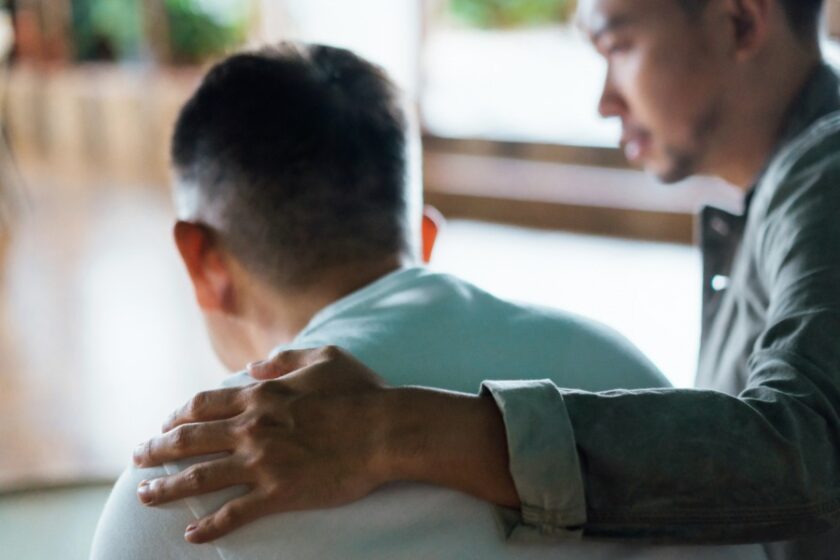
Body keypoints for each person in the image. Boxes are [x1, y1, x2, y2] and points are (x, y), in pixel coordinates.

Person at [132, 0, 840, 558]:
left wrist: (388, 430)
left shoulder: (830, 177)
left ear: (741, 18)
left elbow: (810, 450)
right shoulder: (617, 349)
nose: (603, 101)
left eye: (618, 44)